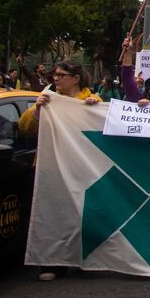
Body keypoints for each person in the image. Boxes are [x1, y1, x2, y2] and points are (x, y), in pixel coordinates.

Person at [18, 60, 101, 281]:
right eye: (55, 74)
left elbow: (105, 130)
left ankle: (84, 259)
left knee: (81, 214)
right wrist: (37, 109)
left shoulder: (92, 100)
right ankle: (52, 263)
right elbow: (24, 128)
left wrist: (95, 110)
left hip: (81, 168)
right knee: (52, 213)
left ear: (75, 78)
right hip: (51, 166)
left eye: (62, 75)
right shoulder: (48, 98)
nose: (56, 78)